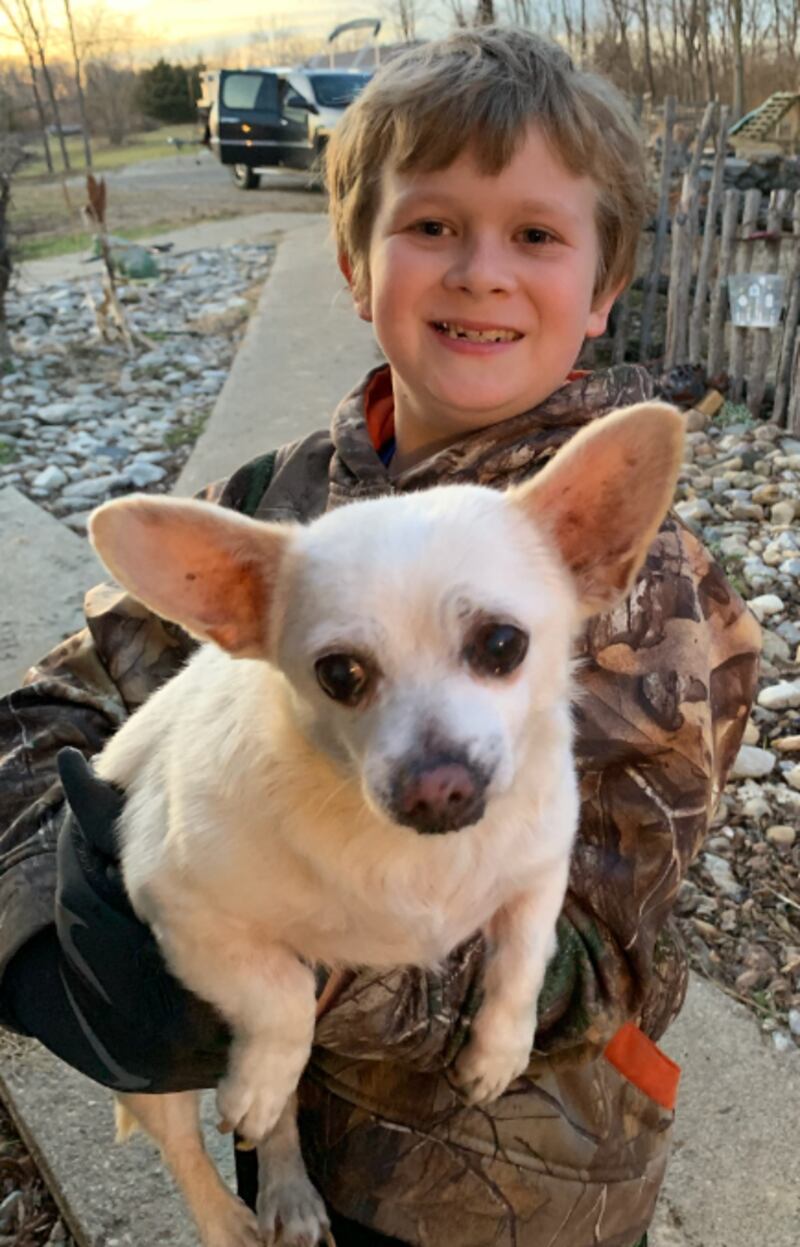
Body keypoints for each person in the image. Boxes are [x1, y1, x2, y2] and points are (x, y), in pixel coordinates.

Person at [0, 26, 760, 1247]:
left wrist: (307, 967)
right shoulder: (274, 507)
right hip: (287, 1126)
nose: (478, 272)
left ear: (604, 284)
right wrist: (44, 918)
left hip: (514, 1181)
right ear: (355, 268)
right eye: (429, 226)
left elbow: (605, 965)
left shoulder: (653, 595)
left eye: (534, 234)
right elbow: (60, 710)